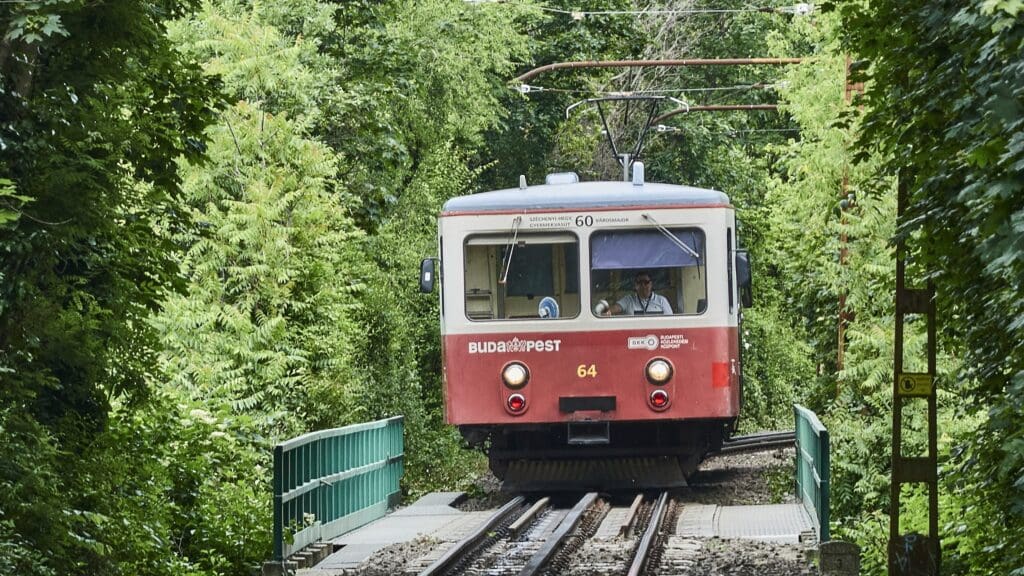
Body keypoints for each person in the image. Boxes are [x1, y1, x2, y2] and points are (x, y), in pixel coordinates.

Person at [599, 271, 672, 315]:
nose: (643, 285)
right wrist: (608, 312)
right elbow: (615, 308)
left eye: (646, 282)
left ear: (651, 284)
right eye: (639, 282)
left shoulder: (662, 300)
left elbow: (670, 321)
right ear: (635, 285)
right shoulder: (628, 300)